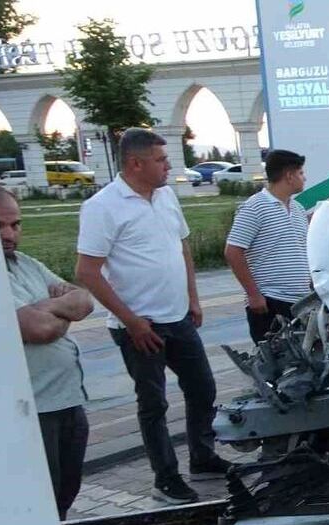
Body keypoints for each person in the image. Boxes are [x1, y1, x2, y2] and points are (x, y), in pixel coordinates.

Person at [75, 128, 233, 505]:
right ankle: (166, 479)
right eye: (161, 160)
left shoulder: (165, 196)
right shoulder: (102, 207)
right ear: (135, 163)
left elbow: (182, 248)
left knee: (202, 388)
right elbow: (87, 272)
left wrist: (193, 298)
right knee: (153, 404)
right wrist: (131, 322)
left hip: (178, 318)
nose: (168, 166)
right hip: (139, 327)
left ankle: (202, 457)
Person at [0, 184, 93, 519]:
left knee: (66, 490)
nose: (9, 234)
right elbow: (39, 329)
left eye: (15, 224)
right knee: (41, 502)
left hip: (68, 400)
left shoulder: (25, 263)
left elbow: (83, 301)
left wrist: (45, 308)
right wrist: (59, 310)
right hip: (32, 409)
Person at [224, 150, 311, 343]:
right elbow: (233, 251)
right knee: (278, 358)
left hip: (300, 302)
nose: (304, 178)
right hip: (270, 301)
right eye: (301, 173)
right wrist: (253, 295)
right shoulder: (254, 207)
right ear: (289, 176)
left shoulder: (298, 209)